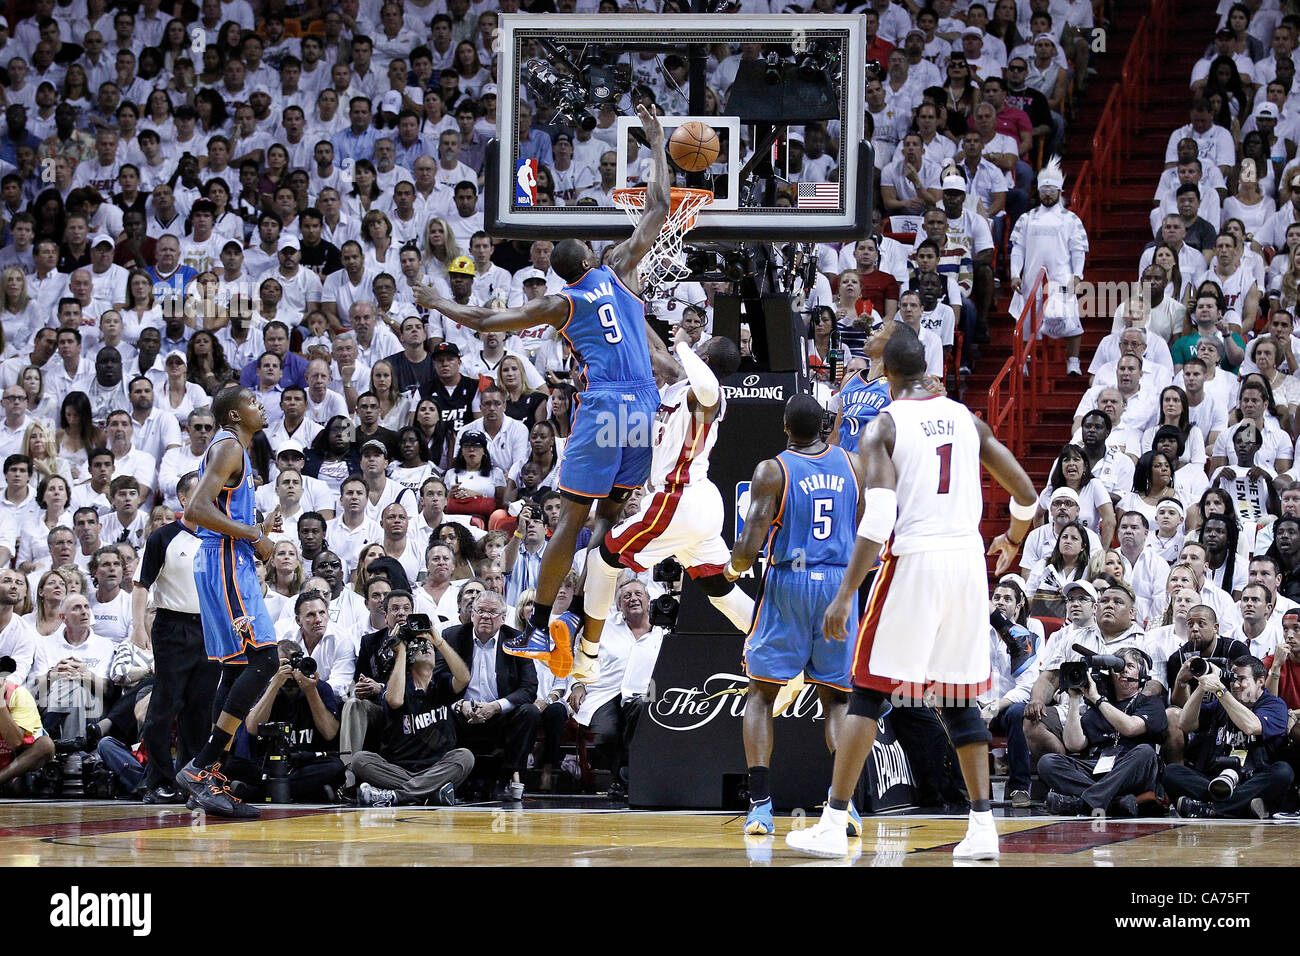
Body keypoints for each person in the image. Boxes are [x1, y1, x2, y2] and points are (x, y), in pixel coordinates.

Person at [428, 105, 672, 677]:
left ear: (562, 272)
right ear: (590, 257)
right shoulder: (615, 269)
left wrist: (441, 302)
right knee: (612, 515)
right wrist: (656, 142)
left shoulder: (562, 301)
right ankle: (593, 622)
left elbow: (491, 323)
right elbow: (659, 207)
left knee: (571, 518)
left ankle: (540, 623)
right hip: (643, 402)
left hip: (606, 399)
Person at [786, 328, 1037, 861]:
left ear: (887, 374)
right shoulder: (969, 421)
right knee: (957, 697)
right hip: (969, 564)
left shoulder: (883, 425)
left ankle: (833, 822)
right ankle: (984, 828)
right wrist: (1012, 540)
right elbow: (1027, 495)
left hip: (916, 560)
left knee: (869, 691)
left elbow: (878, 517)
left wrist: (843, 593)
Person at [569, 337, 753, 682]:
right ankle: (779, 650)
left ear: (706, 356)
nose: (695, 345)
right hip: (697, 502)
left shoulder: (707, 396)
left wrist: (685, 346)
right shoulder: (680, 382)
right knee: (718, 590)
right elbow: (658, 356)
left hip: (677, 500)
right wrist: (636, 315)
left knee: (602, 559)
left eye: (702, 345)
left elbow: (707, 383)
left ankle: (588, 655)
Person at [723, 393, 866, 837]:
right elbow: (863, 524)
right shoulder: (853, 465)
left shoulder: (773, 469)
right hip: (840, 585)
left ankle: (761, 807)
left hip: (789, 583)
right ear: (825, 425)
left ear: (785, 426)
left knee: (762, 694)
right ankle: (842, 809)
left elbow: (749, 545)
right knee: (838, 700)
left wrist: (731, 568)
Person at [175, 385, 283, 819]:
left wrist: (257, 529)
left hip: (225, 560)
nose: (260, 405)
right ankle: (202, 766)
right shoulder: (228, 447)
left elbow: (219, 514)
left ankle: (208, 772)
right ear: (234, 416)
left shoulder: (236, 449)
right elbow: (194, 512)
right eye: (252, 401)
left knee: (239, 666)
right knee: (264, 660)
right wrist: (254, 534)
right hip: (223, 564)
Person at [134, 470, 217, 804]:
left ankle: (190, 778)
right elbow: (142, 586)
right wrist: (139, 626)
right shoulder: (163, 537)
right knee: (164, 706)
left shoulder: (218, 537)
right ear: (184, 500)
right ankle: (156, 780)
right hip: (172, 626)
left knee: (200, 708)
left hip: (209, 628)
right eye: (200, 492)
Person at [350, 608, 474, 807]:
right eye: (419, 646)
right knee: (360, 760)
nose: (425, 648)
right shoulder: (399, 685)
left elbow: (464, 677)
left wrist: (437, 639)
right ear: (409, 658)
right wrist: (401, 651)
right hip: (400, 770)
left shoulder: (441, 684)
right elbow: (395, 701)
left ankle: (395, 797)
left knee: (465, 756)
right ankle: (430, 793)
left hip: (438, 767)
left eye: (429, 647)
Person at [1037, 646, 1168, 816]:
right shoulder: (1098, 707)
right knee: (1047, 762)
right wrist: (1074, 699)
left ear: (1141, 676)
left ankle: (1083, 803)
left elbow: (1130, 728)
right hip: (1099, 767)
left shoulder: (1151, 703)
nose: (1123, 670)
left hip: (1130, 768)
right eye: (1119, 667)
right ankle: (1113, 803)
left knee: (1145, 752)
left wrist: (1097, 699)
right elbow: (1073, 744)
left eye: (1130, 666)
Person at [1166, 655, 1294, 818]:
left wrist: (1220, 690)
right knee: (1172, 772)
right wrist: (1203, 685)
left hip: (1252, 780)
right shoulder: (1221, 702)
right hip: (1215, 780)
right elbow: (1185, 724)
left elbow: (1251, 726)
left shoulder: (1274, 705)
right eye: (1233, 679)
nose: (1235, 685)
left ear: (1260, 682)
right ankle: (1241, 807)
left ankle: (1210, 808)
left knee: (1283, 772)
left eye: (1241, 679)